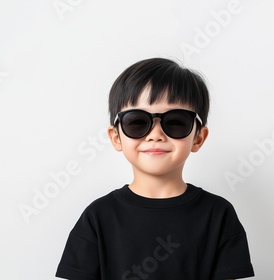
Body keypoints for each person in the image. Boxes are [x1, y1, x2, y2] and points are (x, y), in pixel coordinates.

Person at [55, 57, 255, 279]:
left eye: (176, 122)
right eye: (137, 121)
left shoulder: (218, 215)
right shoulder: (98, 217)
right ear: (116, 137)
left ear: (198, 137)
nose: (156, 135)